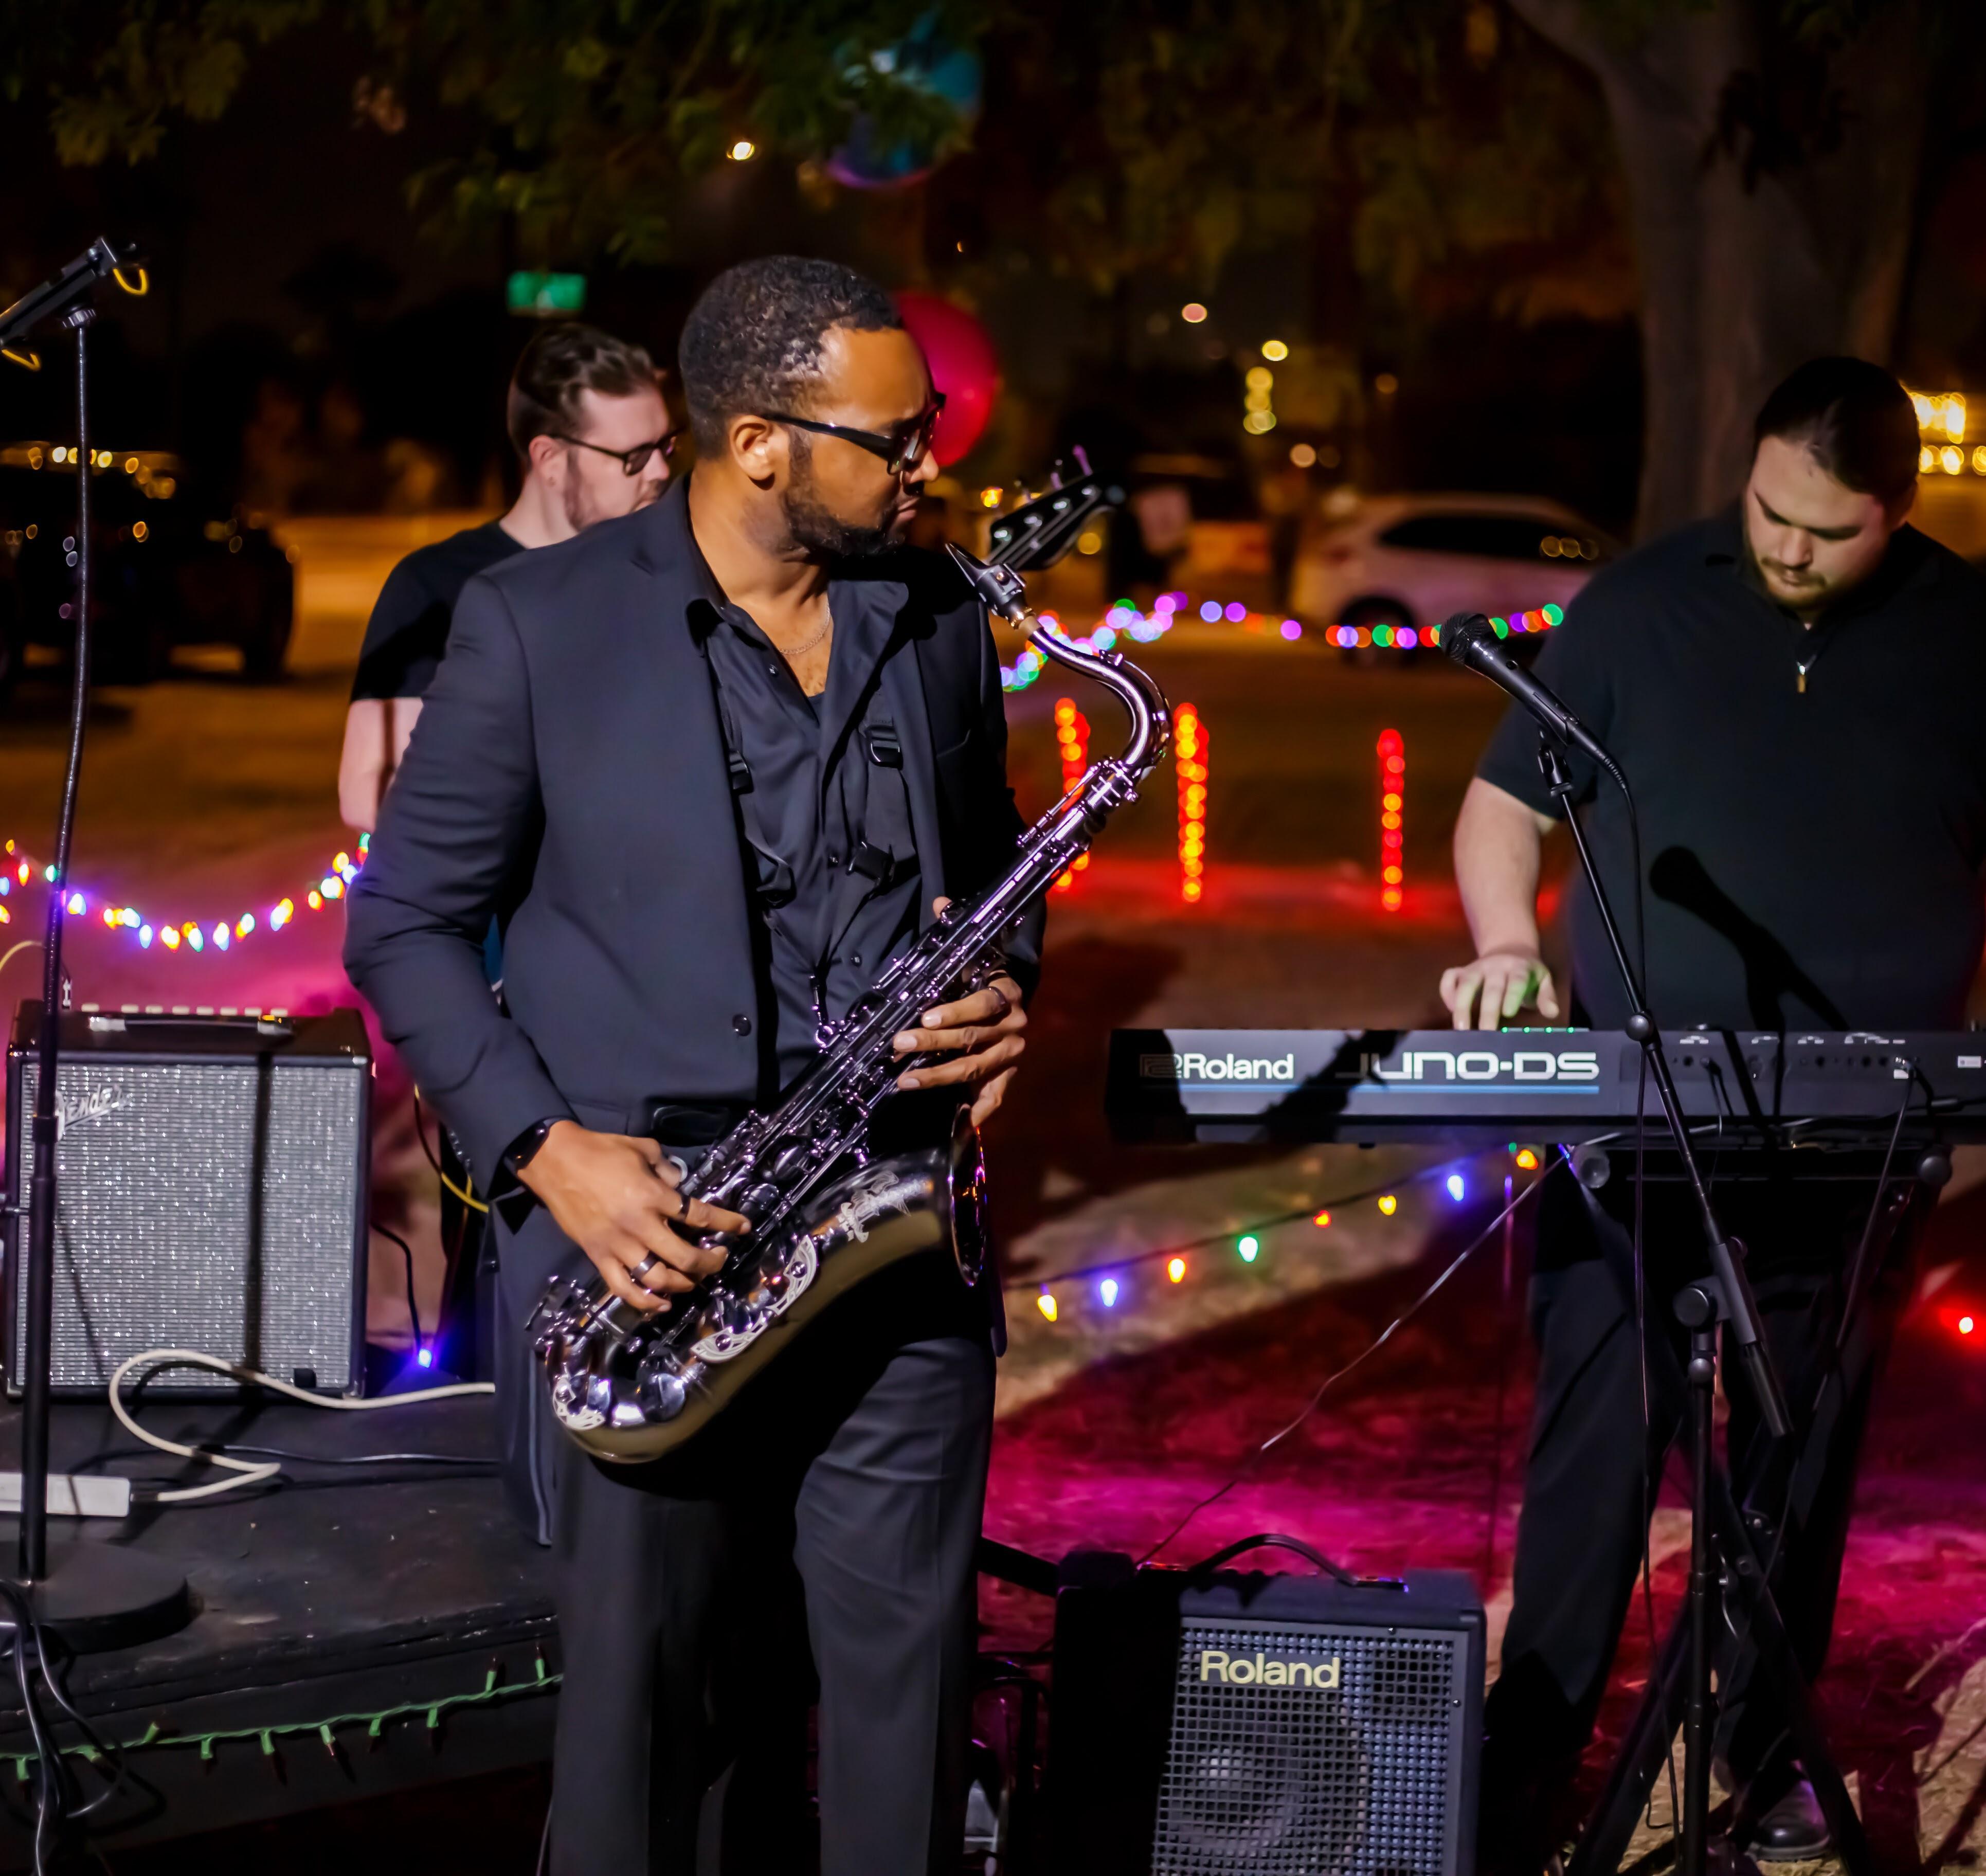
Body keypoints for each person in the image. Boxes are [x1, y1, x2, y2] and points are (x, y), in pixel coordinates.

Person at [344, 256, 1037, 1876]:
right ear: (759, 443)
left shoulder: (938, 615)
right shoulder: (535, 623)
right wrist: (547, 1151)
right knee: (646, 1739)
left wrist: (1007, 985)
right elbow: (405, 927)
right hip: (646, 1250)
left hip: (894, 1240)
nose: (927, 463)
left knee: (905, 1723)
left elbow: (1001, 868)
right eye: (893, 436)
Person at [1441, 357, 1986, 1870]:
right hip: (1635, 1123)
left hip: (1861, 1136)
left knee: (1795, 1460)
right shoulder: (1635, 607)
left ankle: (1756, 1750)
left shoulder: (1966, 634)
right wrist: (1502, 941)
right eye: (1767, 511)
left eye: (1829, 529)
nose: (1787, 548)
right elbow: (1504, 805)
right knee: (1592, 1454)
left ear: (1897, 512)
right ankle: (1527, 1770)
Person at [336, 321, 675, 833]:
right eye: (635, 457)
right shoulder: (437, 586)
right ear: (550, 460)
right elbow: (367, 790)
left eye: (665, 446)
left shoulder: (671, 573)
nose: (660, 473)